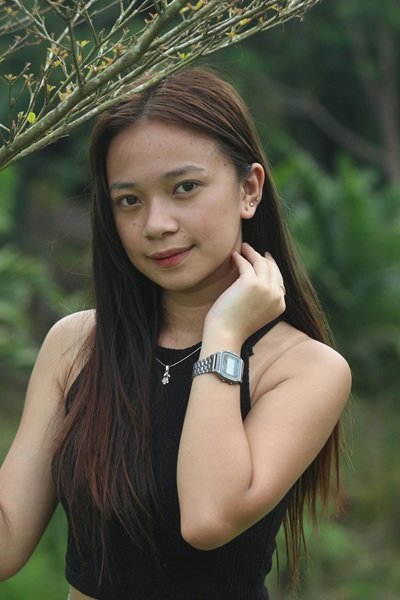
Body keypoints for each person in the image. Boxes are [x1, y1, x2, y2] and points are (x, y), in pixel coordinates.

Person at [0, 67, 351, 600]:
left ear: (249, 190)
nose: (156, 224)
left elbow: (208, 518)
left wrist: (224, 334)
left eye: (184, 188)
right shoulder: (76, 345)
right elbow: (7, 540)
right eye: (129, 200)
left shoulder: (304, 369)